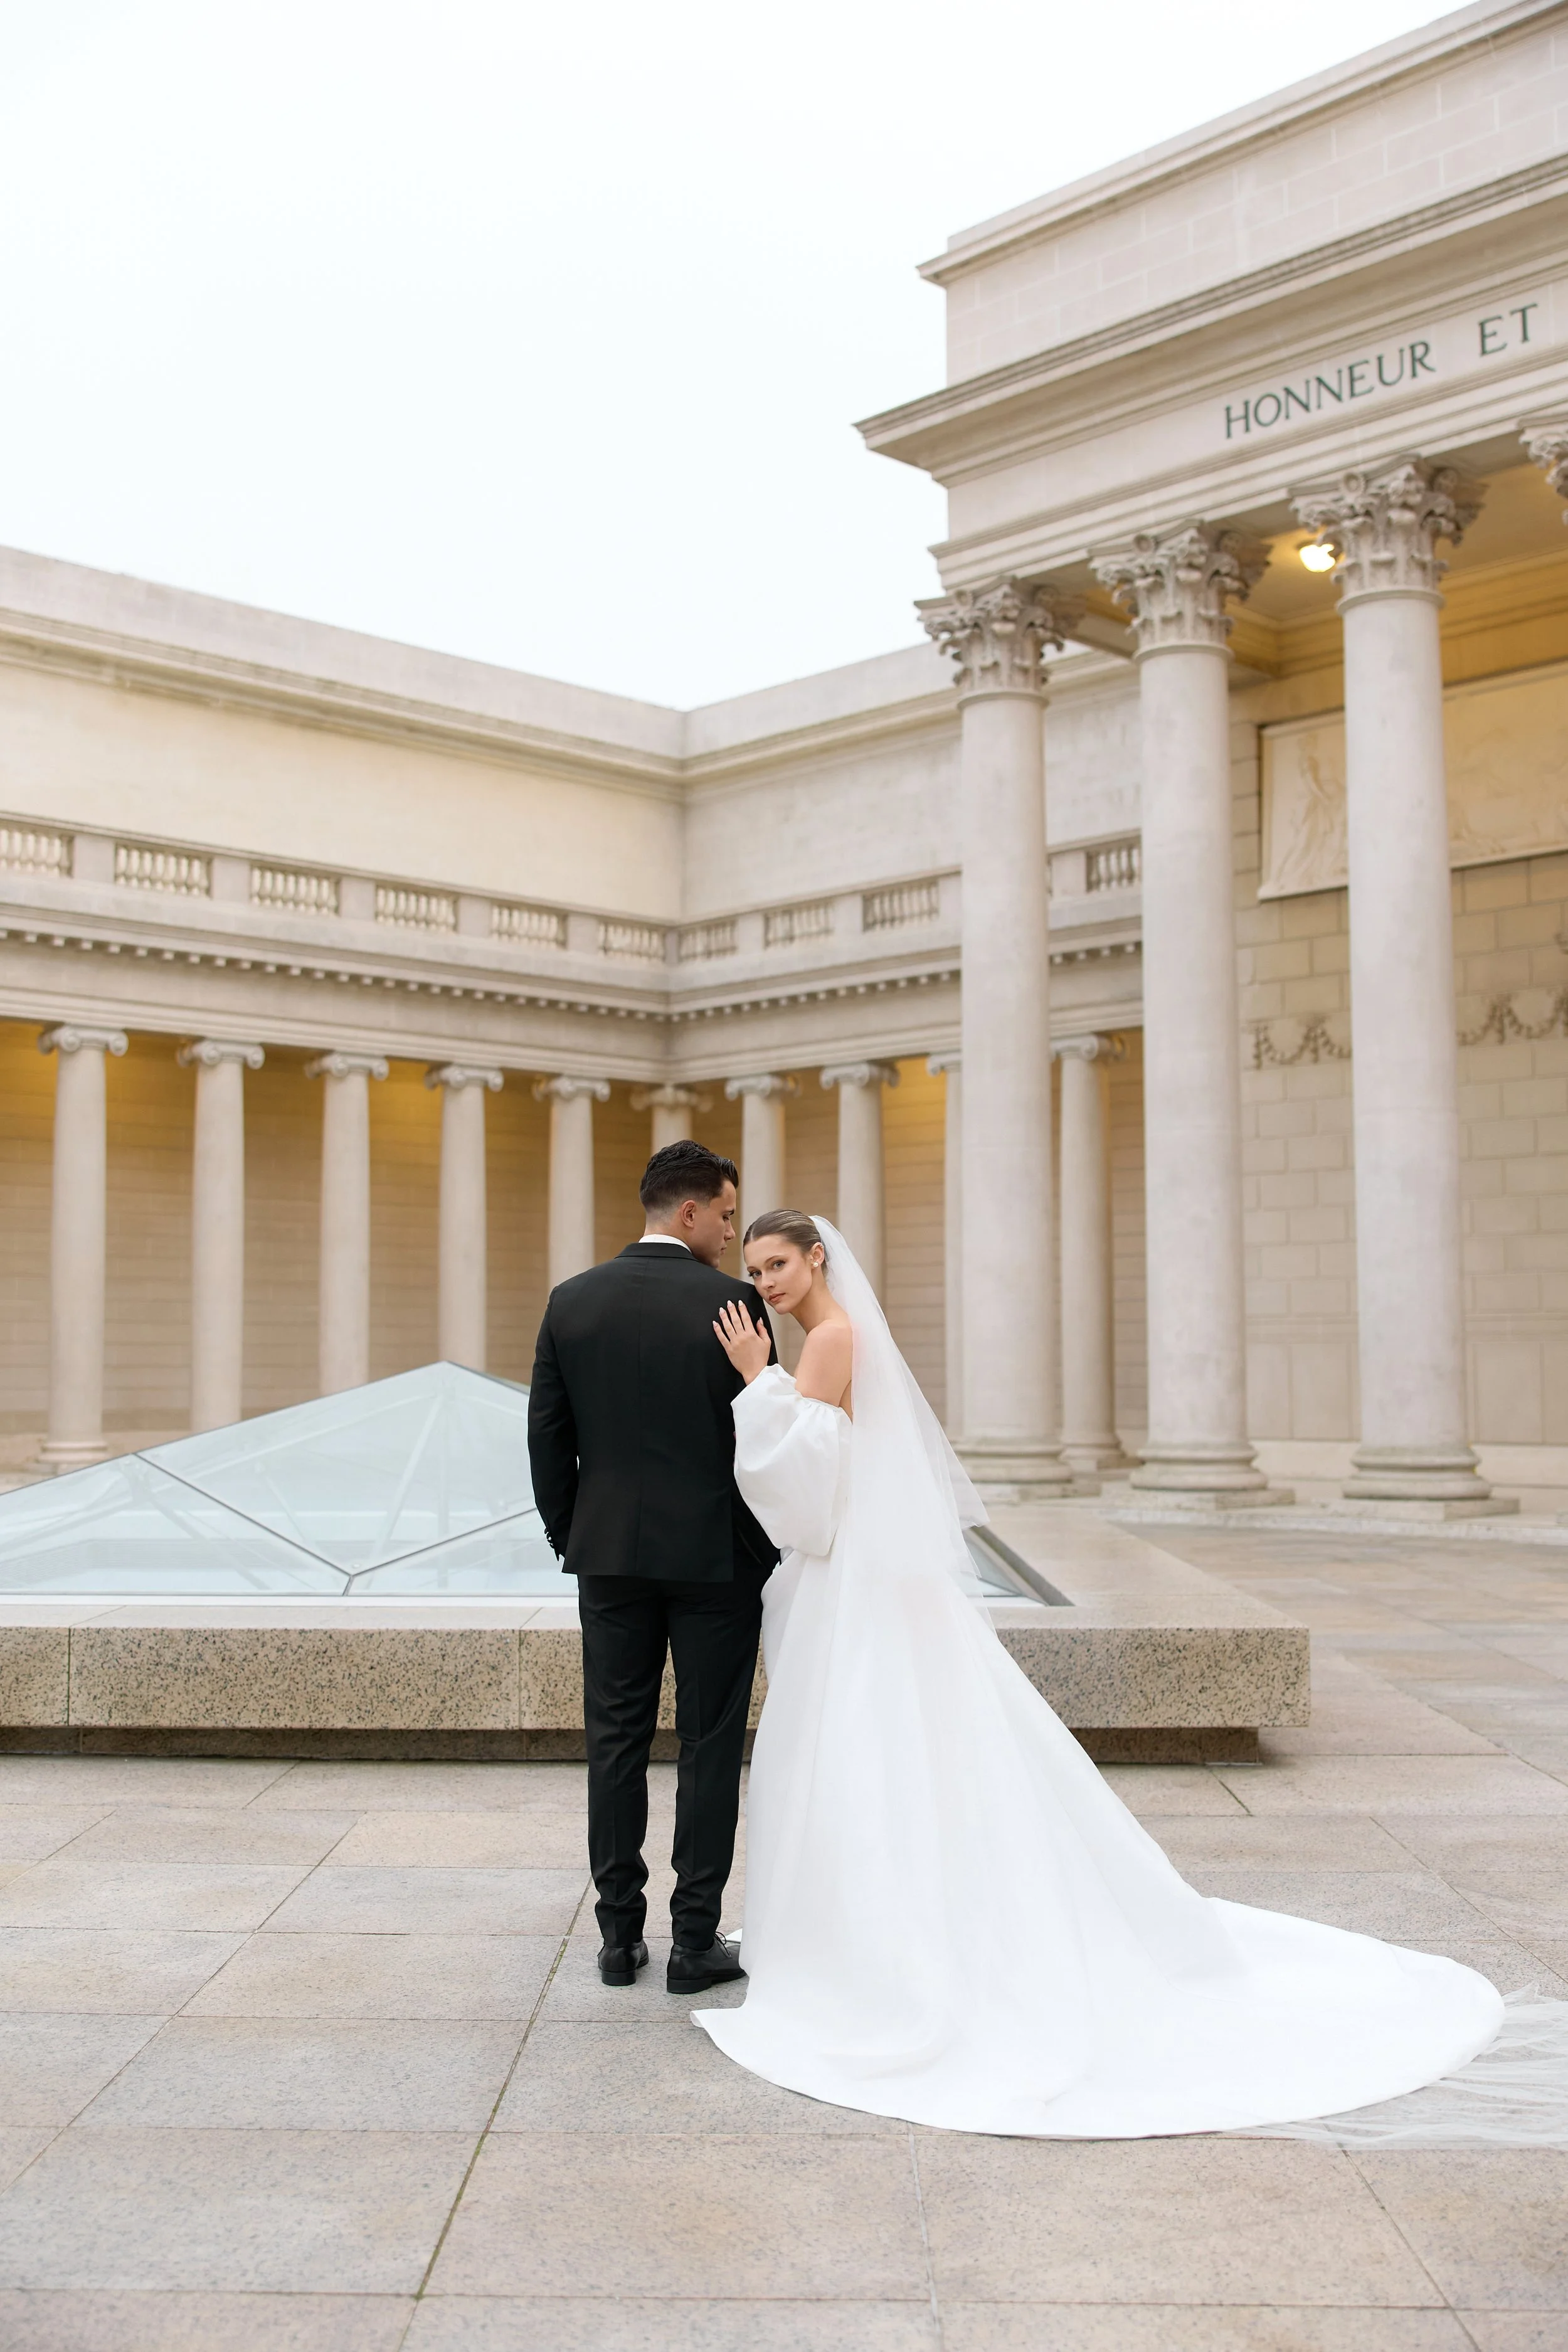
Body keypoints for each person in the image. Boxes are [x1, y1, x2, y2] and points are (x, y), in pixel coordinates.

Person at [699, 1209, 1511, 2139]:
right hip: (864, 1587)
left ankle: (872, 1952)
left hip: (852, 1590)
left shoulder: (829, 1341)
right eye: (755, 1266)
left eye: (777, 1263)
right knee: (889, 1756)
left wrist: (755, 1382)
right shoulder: (830, 1338)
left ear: (816, 1258)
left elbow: (800, 1486)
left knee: (860, 1756)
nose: (763, 1280)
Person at [527, 1140, 778, 1996]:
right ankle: (696, 1938)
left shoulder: (572, 1301)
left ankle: (617, 1936)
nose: (731, 1230)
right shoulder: (735, 1304)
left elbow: (548, 1441)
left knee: (616, 1743)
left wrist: (576, 1535)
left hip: (609, 1561)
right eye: (727, 1214)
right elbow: (763, 1440)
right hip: (715, 1560)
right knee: (708, 1746)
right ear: (690, 1212)